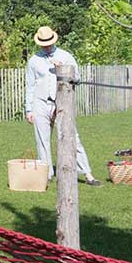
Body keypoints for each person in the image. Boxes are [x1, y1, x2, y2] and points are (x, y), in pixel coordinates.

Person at [24, 26, 95, 183]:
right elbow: (30, 85)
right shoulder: (34, 61)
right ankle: (47, 173)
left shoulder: (65, 56)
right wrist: (29, 109)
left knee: (71, 137)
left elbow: (77, 78)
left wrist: (62, 67)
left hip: (61, 102)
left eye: (48, 43)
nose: (46, 46)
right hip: (40, 102)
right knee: (42, 139)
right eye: (43, 43)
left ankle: (87, 173)